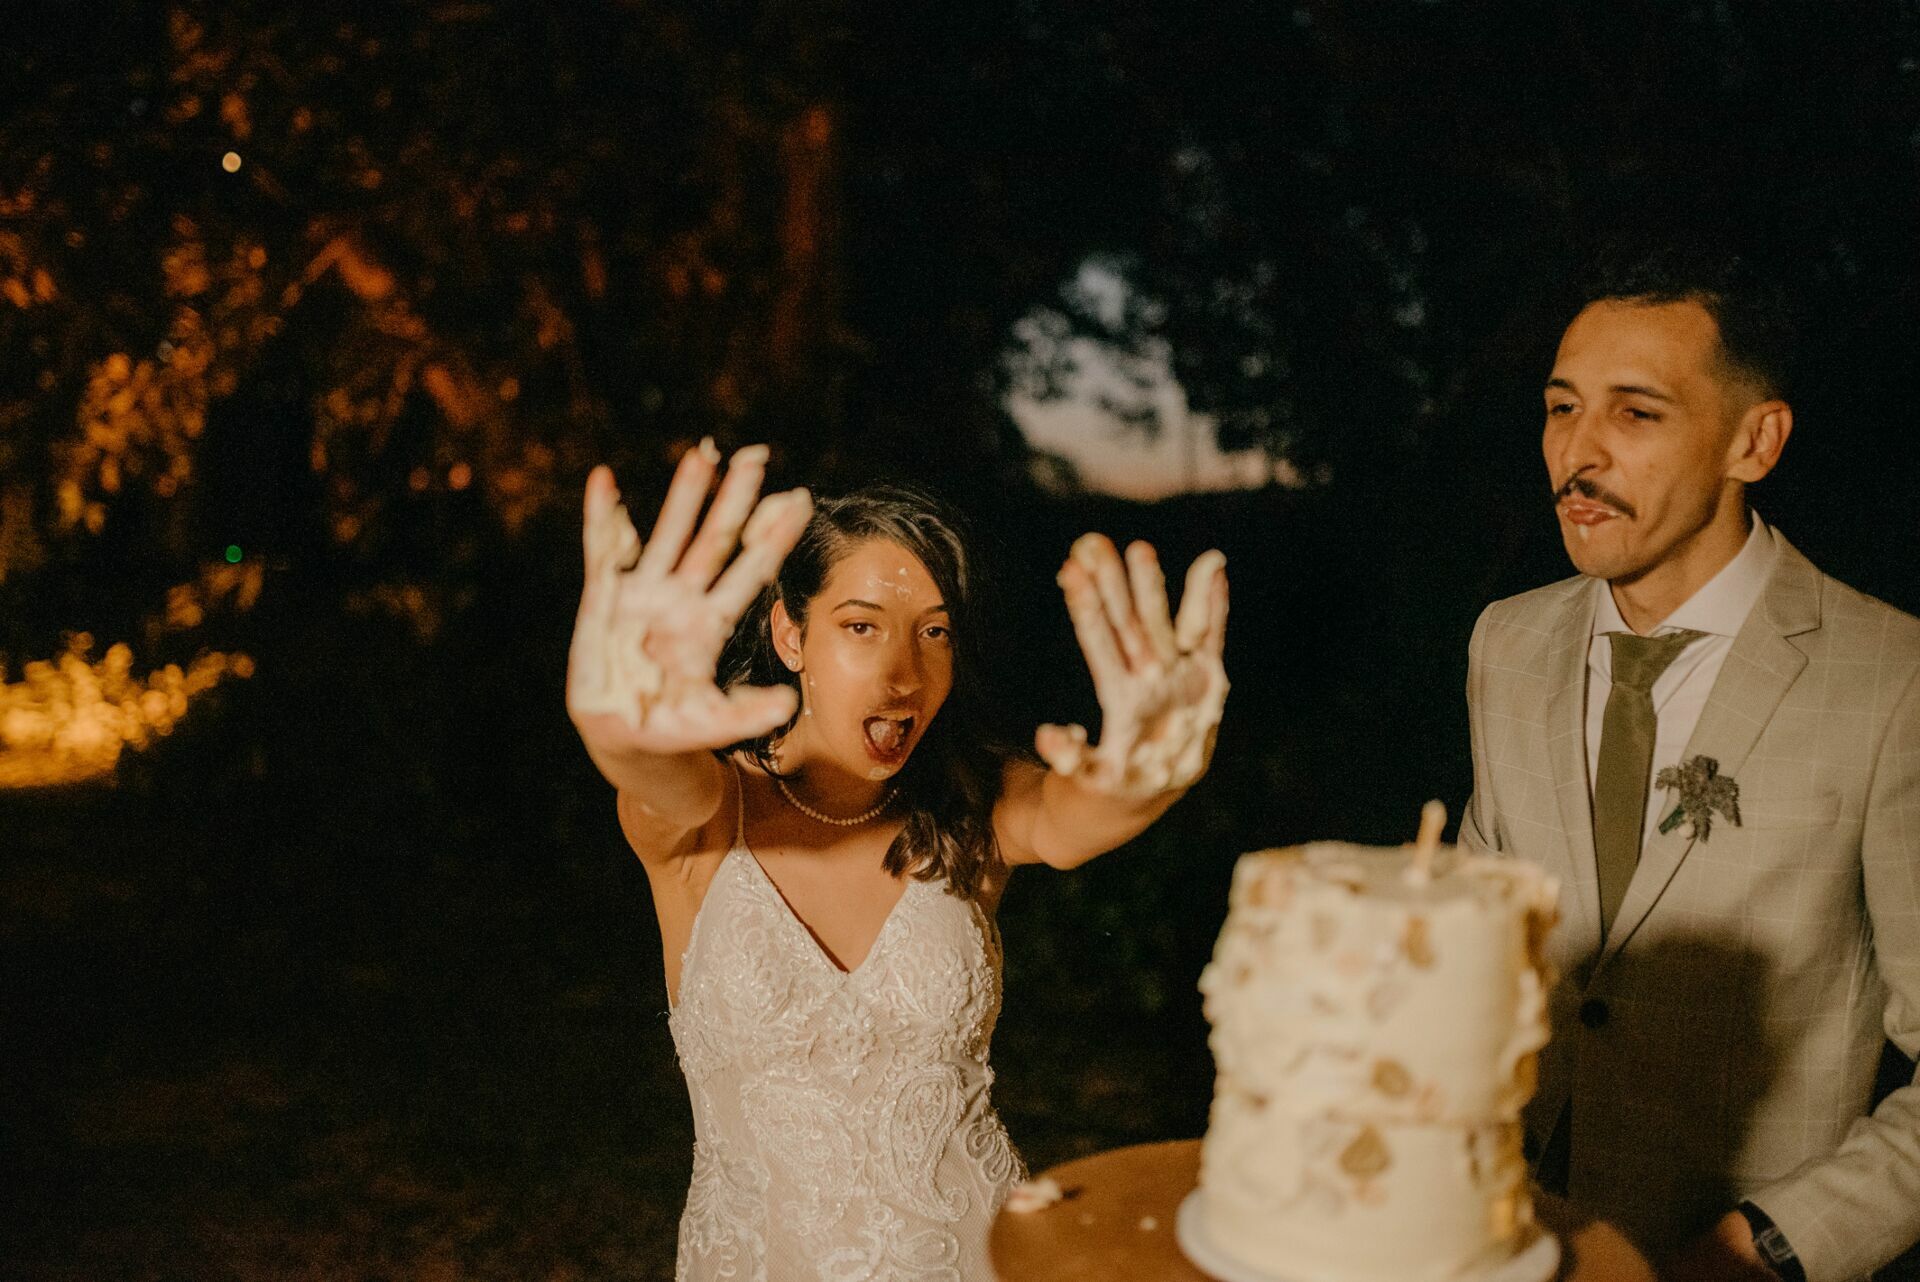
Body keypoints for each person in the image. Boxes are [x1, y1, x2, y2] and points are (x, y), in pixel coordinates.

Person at [565, 439, 1229, 1281]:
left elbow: (1070, 818)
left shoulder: (974, 804)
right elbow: (649, 773)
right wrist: (613, 727)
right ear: (789, 633)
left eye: (934, 632)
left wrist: (1148, 777)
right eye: (860, 627)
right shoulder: (706, 816)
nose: (903, 672)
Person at [1459, 239, 1920, 1282]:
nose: (1577, 454)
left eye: (1636, 413)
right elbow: (1487, 928)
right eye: (1560, 406)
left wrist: (1769, 1248)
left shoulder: (1894, 682)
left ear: (1754, 442)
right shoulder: (1505, 640)